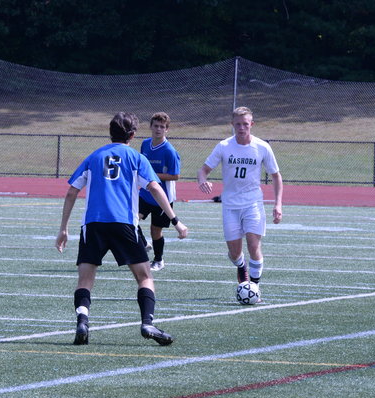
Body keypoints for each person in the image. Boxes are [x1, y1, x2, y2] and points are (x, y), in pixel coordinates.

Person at [56, 112, 188, 346]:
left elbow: (71, 191)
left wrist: (63, 228)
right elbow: (155, 188)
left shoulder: (94, 156)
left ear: (110, 132)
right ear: (133, 135)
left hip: (93, 225)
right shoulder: (136, 157)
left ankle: (82, 321)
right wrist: (176, 220)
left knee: (85, 280)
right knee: (145, 277)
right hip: (124, 224)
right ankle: (147, 323)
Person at [197, 106, 283, 288]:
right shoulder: (224, 146)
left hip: (253, 203)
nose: (242, 128)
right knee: (235, 253)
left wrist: (278, 204)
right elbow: (203, 170)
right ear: (232, 124)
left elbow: (276, 176)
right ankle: (241, 264)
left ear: (252, 124)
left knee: (253, 245)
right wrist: (203, 181)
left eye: (245, 124)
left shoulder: (262, 147)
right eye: (238, 124)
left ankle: (254, 287)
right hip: (230, 205)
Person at [136, 112, 181, 271]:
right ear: (151, 127)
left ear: (167, 129)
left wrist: (152, 176)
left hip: (163, 198)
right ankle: (143, 243)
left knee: (155, 231)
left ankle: (158, 260)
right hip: (145, 194)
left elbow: (175, 175)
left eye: (162, 127)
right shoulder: (145, 144)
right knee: (130, 220)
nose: (158, 129)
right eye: (156, 126)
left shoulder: (169, 151)